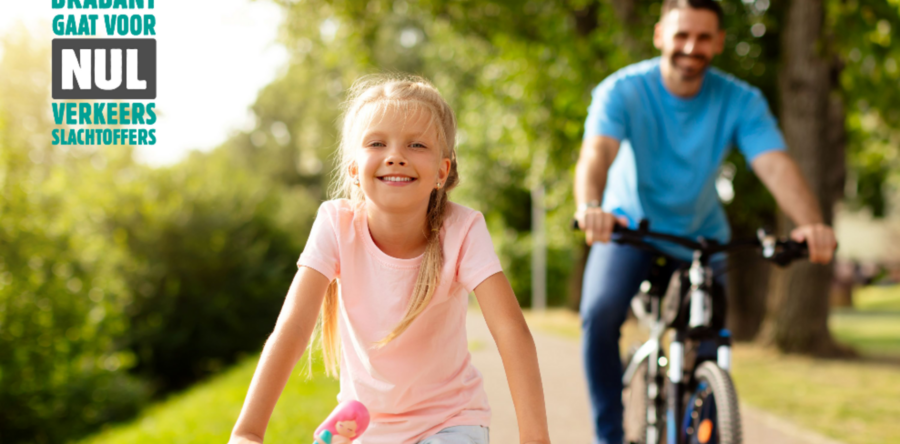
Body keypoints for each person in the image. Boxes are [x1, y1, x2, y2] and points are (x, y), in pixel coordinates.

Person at [229, 75, 552, 444]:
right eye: (377, 143)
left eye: (416, 144)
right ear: (354, 169)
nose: (395, 155)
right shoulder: (336, 224)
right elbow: (293, 329)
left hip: (450, 421)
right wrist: (247, 431)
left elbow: (510, 331)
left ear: (442, 172)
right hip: (364, 426)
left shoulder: (463, 229)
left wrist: (535, 437)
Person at [572, 1, 838, 443]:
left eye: (702, 37)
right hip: (629, 229)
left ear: (717, 42)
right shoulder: (623, 90)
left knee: (711, 344)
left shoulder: (740, 100)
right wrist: (590, 206)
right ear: (660, 35)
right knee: (599, 315)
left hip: (701, 237)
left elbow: (774, 165)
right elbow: (596, 154)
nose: (690, 47)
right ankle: (609, 436)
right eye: (681, 35)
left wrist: (811, 223)